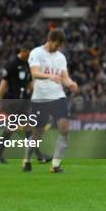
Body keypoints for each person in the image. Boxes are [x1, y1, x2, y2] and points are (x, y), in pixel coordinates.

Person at [23, 29, 78, 173]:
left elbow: (64, 77)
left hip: (58, 96)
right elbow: (34, 73)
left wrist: (71, 83)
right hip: (40, 97)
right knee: (37, 133)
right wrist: (49, 76)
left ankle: (55, 165)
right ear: (50, 40)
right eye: (57, 45)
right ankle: (27, 159)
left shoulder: (60, 57)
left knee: (64, 128)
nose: (58, 48)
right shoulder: (36, 53)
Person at [0, 43, 49, 164]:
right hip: (13, 101)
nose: (29, 56)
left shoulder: (27, 65)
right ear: (23, 51)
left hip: (23, 102)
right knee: (24, 127)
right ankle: (39, 156)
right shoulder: (12, 64)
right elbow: (3, 84)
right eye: (28, 53)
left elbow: (29, 83)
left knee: (15, 128)